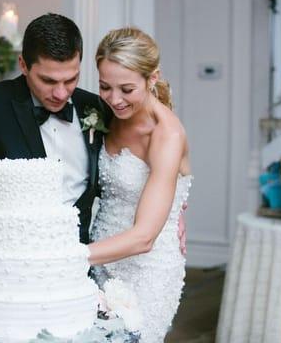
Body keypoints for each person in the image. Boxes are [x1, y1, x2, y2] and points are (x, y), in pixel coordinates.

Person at [0, 13, 106, 243]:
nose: (60, 93)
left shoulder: (94, 107)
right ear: (23, 65)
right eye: (48, 81)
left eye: (71, 80)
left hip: (81, 258)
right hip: (17, 257)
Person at [88, 27, 192, 342]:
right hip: (101, 259)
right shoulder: (102, 111)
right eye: (105, 86)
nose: (115, 99)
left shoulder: (166, 134)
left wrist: (67, 257)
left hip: (148, 267)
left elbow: (146, 236)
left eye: (126, 89)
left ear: (152, 78)